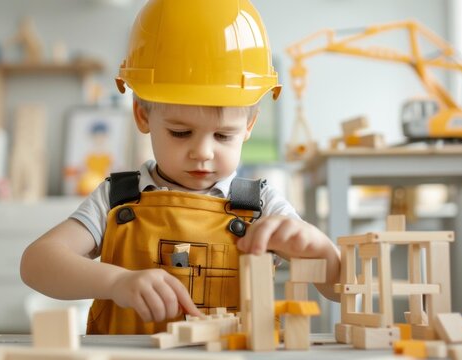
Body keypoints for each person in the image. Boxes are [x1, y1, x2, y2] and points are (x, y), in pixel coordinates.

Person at [20, 0, 340, 335]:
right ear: (143, 116)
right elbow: (37, 264)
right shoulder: (119, 200)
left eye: (223, 135)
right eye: (180, 133)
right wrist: (116, 281)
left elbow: (337, 291)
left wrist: (320, 250)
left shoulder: (263, 207)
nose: (202, 152)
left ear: (249, 125)